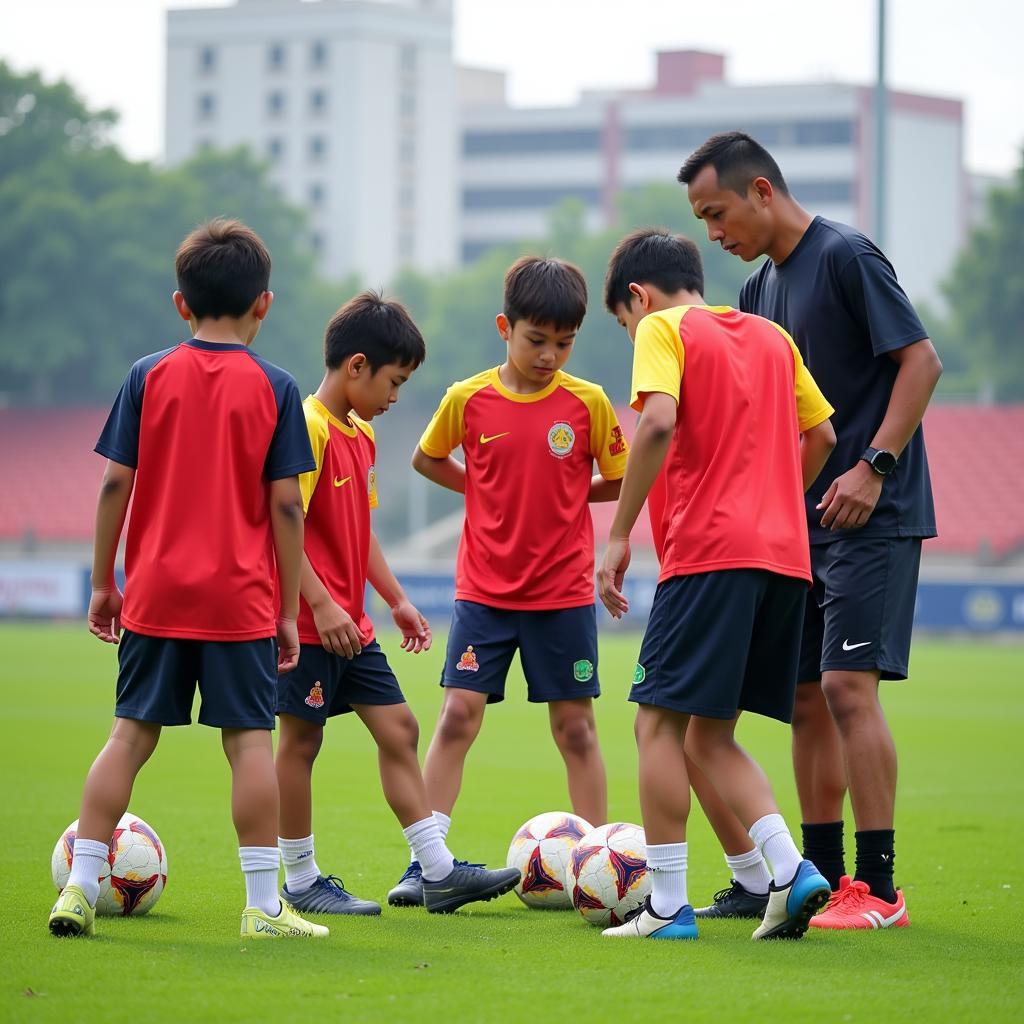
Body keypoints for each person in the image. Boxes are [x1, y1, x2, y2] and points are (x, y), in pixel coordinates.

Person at [679, 131, 942, 930]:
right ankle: (821, 879)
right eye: (701, 220)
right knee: (802, 699)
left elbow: (921, 361)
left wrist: (875, 467)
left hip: (874, 514)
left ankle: (880, 888)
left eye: (718, 213)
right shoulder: (761, 292)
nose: (714, 234)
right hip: (800, 527)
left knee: (845, 689)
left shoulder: (845, 256)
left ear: (762, 191)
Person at [49, 219, 328, 940]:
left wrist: (104, 580)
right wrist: (292, 609)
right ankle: (264, 909)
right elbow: (288, 504)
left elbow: (116, 484)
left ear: (182, 304)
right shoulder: (276, 386)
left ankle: (78, 888)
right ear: (263, 304)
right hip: (239, 601)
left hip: (155, 593)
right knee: (248, 745)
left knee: (129, 737)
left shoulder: (147, 375)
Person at [597, 228, 837, 941]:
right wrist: (774, 510)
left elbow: (659, 420)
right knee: (708, 737)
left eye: (623, 321)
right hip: (785, 560)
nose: (630, 331)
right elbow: (821, 437)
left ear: (638, 297)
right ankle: (791, 870)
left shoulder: (664, 329)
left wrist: (617, 536)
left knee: (655, 725)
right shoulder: (771, 337)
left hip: (709, 555)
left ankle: (667, 907)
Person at [387, 256, 629, 907]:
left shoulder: (588, 403)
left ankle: (597, 865)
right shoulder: (467, 398)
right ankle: (430, 866)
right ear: (505, 326)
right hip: (484, 594)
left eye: (563, 342)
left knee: (576, 729)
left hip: (563, 596)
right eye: (536, 340)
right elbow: (425, 457)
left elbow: (625, 476)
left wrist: (577, 491)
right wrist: (480, 488)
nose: (549, 355)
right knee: (458, 716)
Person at [274, 291, 521, 916]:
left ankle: (436, 871)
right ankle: (300, 880)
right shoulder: (307, 427)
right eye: (393, 381)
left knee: (400, 727)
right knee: (299, 744)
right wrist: (324, 607)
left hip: (349, 625)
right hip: (308, 625)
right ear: (356, 366)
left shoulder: (359, 434)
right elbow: (281, 529)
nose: (394, 397)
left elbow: (361, 529)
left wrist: (396, 599)